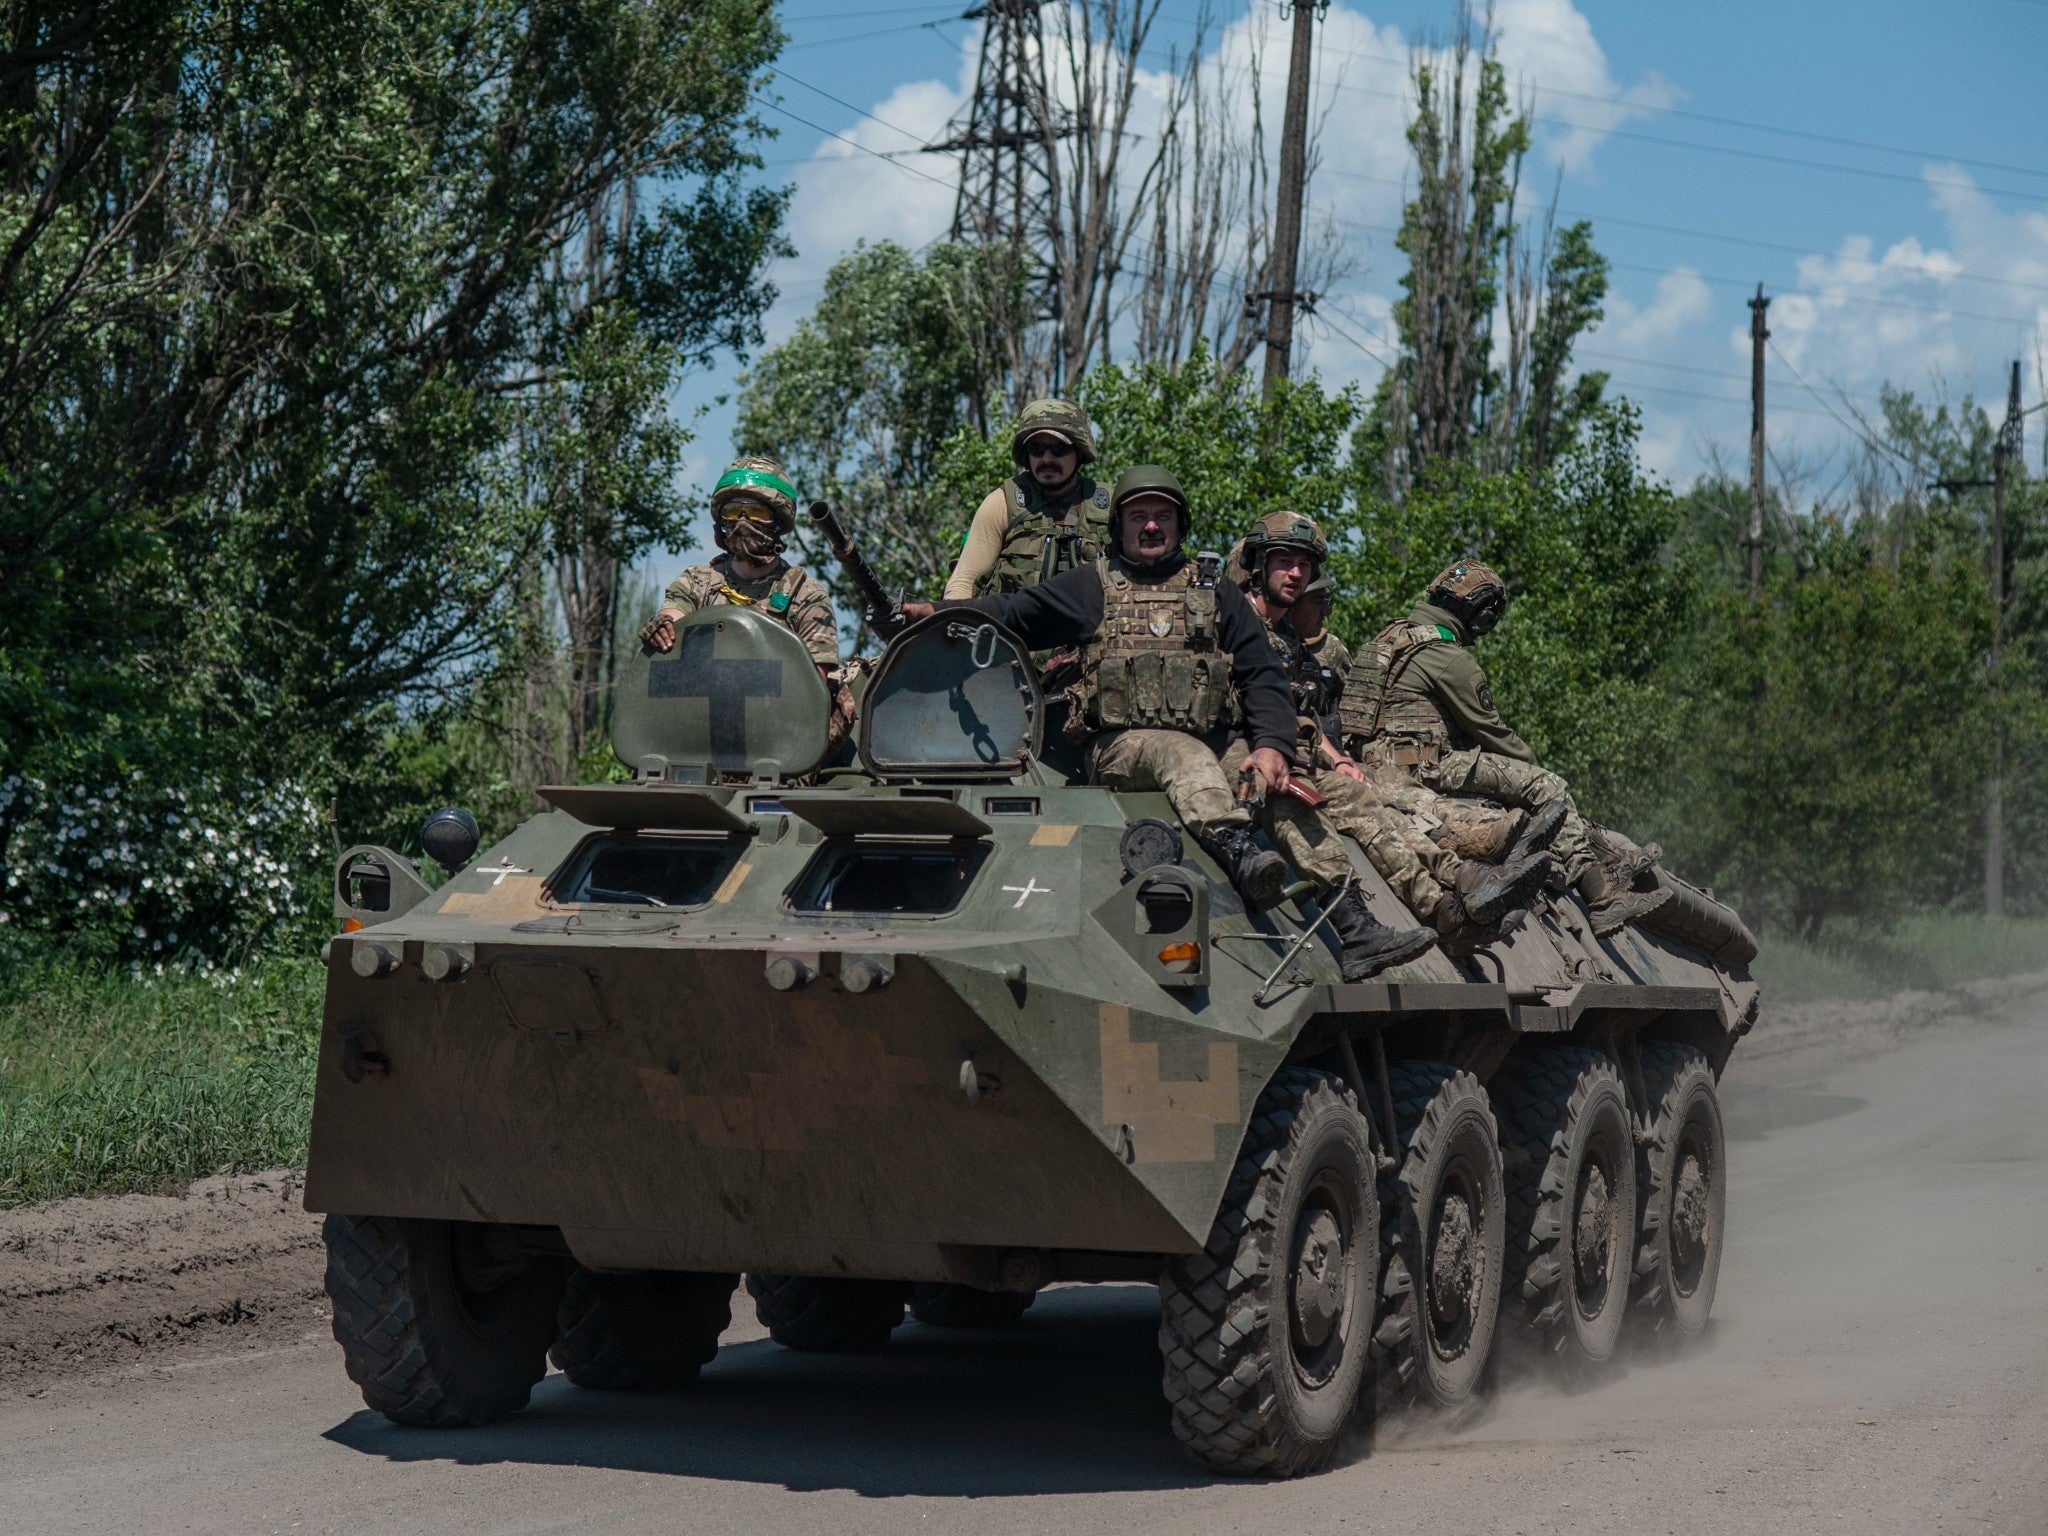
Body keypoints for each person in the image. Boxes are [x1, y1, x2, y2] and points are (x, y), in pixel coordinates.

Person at [903, 469, 1431, 983]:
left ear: (1180, 526)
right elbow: (1011, 612)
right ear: (1120, 527)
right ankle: (1240, 853)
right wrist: (936, 612)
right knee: (1180, 752)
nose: (1151, 526)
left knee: (1286, 787)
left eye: (1162, 516)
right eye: (1138, 516)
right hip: (1118, 747)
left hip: (1212, 738)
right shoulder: (1091, 587)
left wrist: (1272, 747)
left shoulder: (1216, 593)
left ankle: (1352, 923)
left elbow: (1261, 673)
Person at [1228, 513, 1555, 950]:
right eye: (1284, 563)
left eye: (1305, 568)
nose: (1303, 582)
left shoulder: (1297, 643)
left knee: (1369, 794)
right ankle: (1455, 868)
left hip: (1306, 754)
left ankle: (1453, 897)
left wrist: (1339, 758)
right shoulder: (1231, 625)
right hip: (1248, 756)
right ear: (1253, 570)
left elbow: (1300, 715)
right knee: (1370, 796)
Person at [1341, 559, 1668, 937]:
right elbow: (1496, 736)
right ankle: (1602, 894)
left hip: (1374, 767)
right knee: (1547, 787)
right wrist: (1535, 774)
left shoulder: (1390, 637)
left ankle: (1600, 852)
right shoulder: (1447, 657)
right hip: (1418, 767)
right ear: (1476, 611)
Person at [640, 455, 853, 746]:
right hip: (695, 738)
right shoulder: (697, 581)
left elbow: (811, 690)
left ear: (777, 520)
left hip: (777, 744)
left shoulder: (805, 595)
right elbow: (673, 616)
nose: (742, 522)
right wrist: (662, 626)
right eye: (733, 511)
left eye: (755, 513)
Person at [943, 399, 1112, 598]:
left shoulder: (1109, 506)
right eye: (1037, 449)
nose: (1047, 459)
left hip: (1095, 627)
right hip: (1012, 627)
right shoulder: (1002, 503)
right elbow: (964, 582)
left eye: (1059, 449)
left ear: (1080, 451)